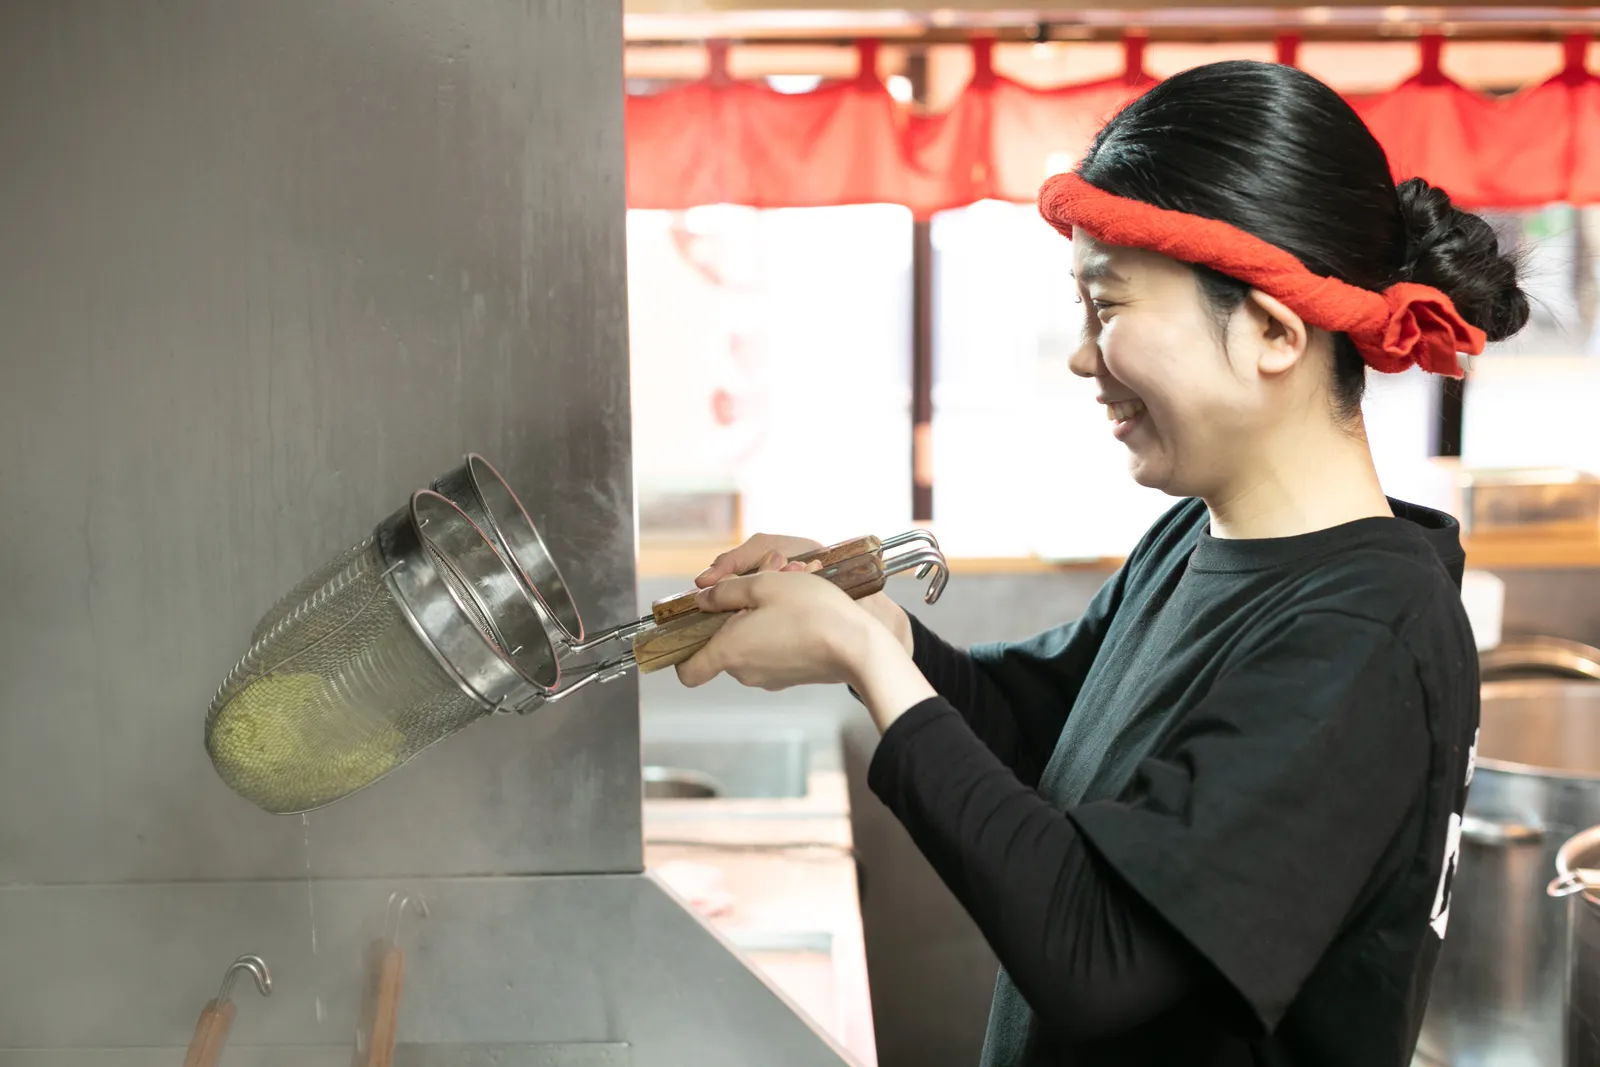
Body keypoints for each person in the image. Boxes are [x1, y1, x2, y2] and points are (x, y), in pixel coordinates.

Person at [674, 59, 1528, 1066]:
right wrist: (875, 628)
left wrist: (870, 662)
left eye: (1109, 305)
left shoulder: (1366, 634)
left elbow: (1095, 954)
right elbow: (1042, 732)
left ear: (1268, 329)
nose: (1082, 356)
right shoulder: (1200, 536)